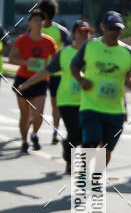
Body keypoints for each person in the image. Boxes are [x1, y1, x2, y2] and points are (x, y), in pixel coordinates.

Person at [19, 19, 92, 173]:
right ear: (73, 34)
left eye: (86, 32)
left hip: (90, 101)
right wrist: (27, 84)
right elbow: (46, 71)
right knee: (75, 132)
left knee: (91, 134)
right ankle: (69, 155)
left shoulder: (95, 52)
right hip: (67, 100)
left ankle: (87, 167)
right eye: (79, 32)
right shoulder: (64, 53)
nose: (82, 35)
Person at [70, 11, 131, 166]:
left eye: (118, 29)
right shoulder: (90, 45)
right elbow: (74, 66)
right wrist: (82, 80)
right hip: (91, 106)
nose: (114, 32)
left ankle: (96, 179)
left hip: (115, 110)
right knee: (91, 144)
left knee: (106, 150)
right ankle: (82, 177)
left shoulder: (128, 52)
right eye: (111, 28)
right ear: (103, 27)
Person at [9, 9, 57, 153]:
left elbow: (55, 61)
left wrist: (51, 68)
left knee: (38, 113)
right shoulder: (22, 40)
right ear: (29, 23)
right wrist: (26, 62)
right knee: (25, 116)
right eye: (35, 20)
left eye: (41, 20)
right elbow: (12, 58)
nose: (38, 22)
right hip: (23, 80)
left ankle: (34, 133)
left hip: (41, 80)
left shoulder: (49, 42)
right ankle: (24, 141)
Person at [38, 0, 72, 144]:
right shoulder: (35, 28)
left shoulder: (61, 31)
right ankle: (35, 126)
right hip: (38, 73)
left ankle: (55, 131)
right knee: (38, 101)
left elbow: (71, 48)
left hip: (55, 73)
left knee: (54, 104)